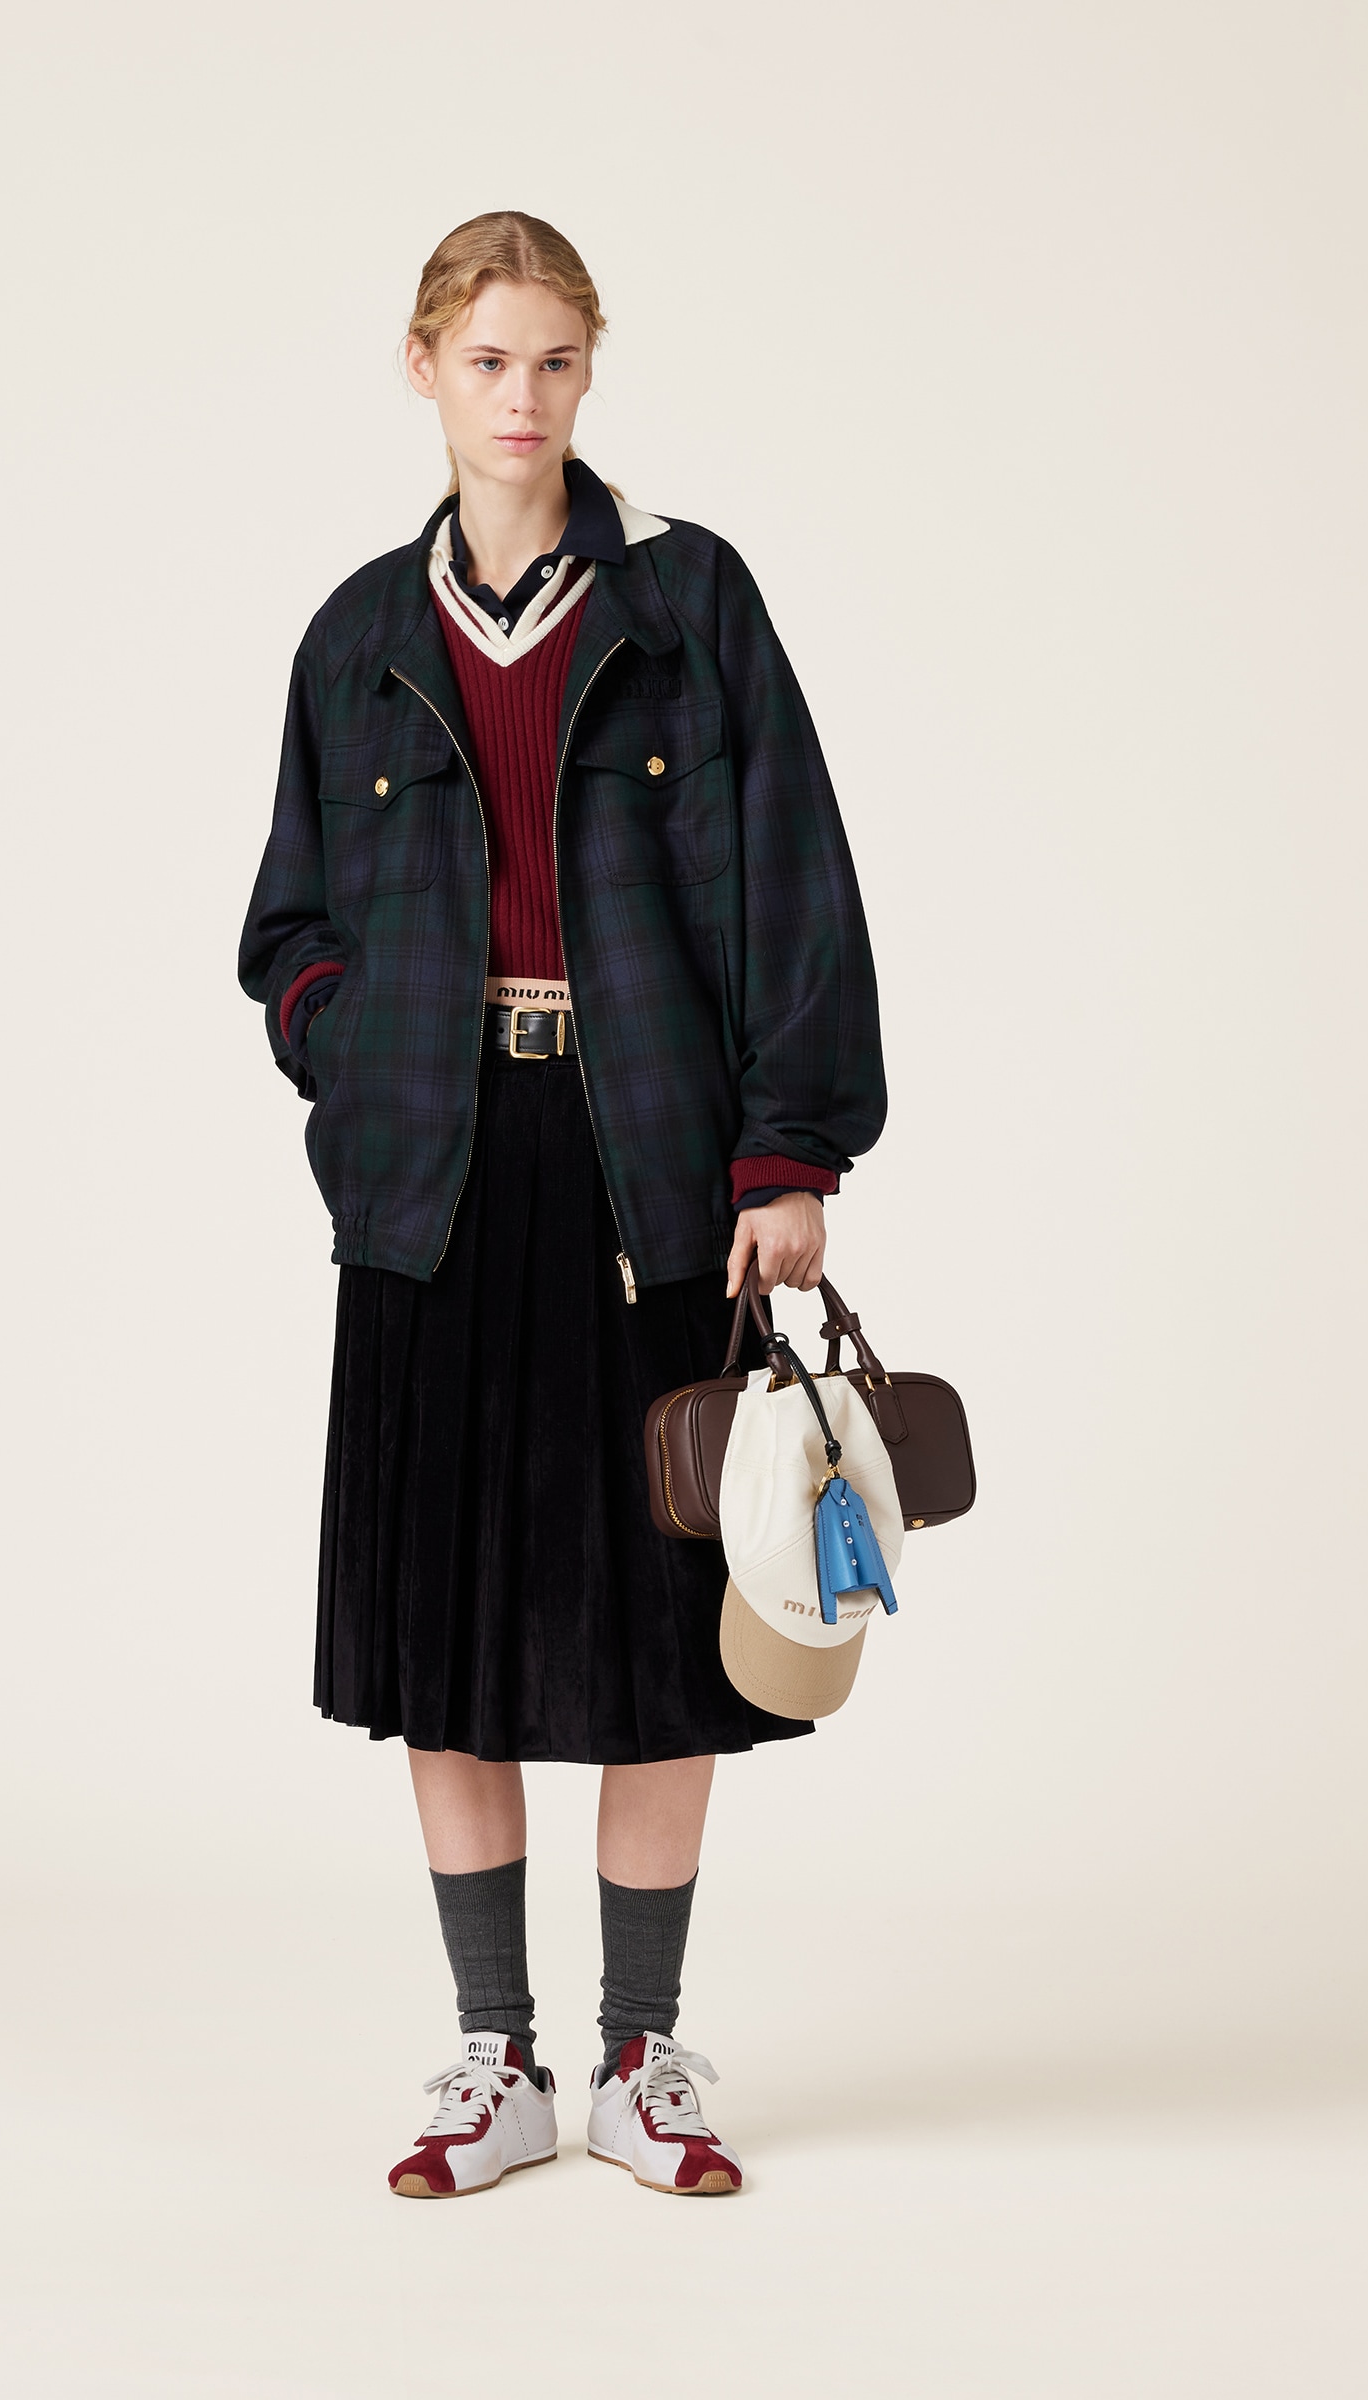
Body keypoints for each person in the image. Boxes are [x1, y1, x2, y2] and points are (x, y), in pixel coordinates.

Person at [237, 212, 885, 2198]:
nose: (521, 400)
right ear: (423, 366)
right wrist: (354, 1050)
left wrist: (788, 1155)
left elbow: (796, 884)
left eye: (554, 362)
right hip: (432, 1179)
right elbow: (286, 928)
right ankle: (493, 2058)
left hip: (653, 1174)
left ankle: (641, 2057)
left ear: (590, 372)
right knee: (443, 1636)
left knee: (663, 1626)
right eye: (487, 360)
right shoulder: (357, 635)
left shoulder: (689, 602)